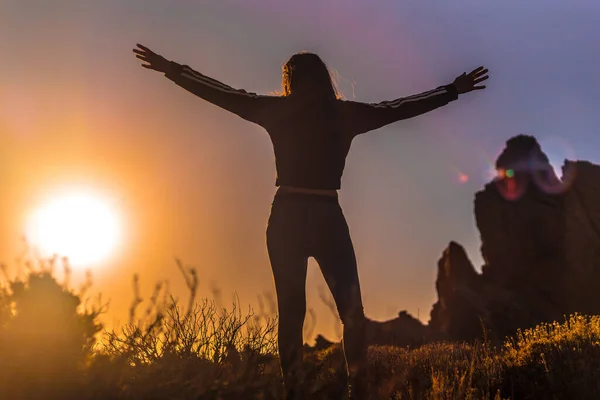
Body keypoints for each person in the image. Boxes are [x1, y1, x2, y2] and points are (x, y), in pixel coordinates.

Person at [133, 43, 488, 399]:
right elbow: (397, 109)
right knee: (351, 312)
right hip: (326, 215)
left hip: (287, 214)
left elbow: (222, 93)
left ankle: (296, 392)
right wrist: (451, 91)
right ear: (324, 78)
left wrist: (172, 69)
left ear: (289, 81)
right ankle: (357, 391)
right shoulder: (343, 114)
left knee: (293, 312)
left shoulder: (276, 110)